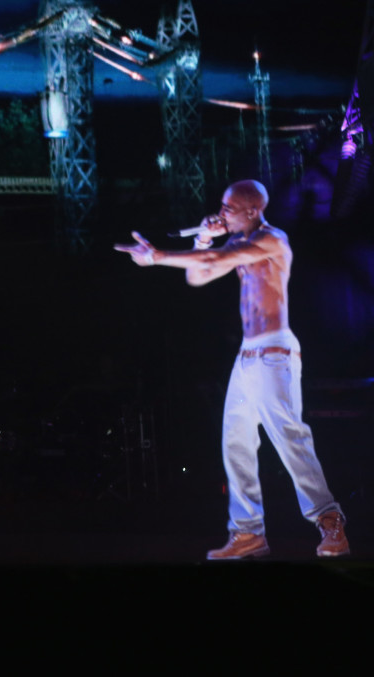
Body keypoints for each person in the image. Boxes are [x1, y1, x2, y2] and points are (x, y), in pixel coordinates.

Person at [114, 179, 349, 559]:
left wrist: (157, 256)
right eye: (220, 207)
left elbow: (211, 264)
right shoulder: (239, 244)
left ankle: (329, 520)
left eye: (228, 208)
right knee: (235, 444)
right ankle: (248, 533)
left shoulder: (273, 240)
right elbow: (199, 275)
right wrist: (203, 239)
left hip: (275, 351)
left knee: (290, 437)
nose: (220, 213)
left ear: (252, 211)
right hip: (248, 355)